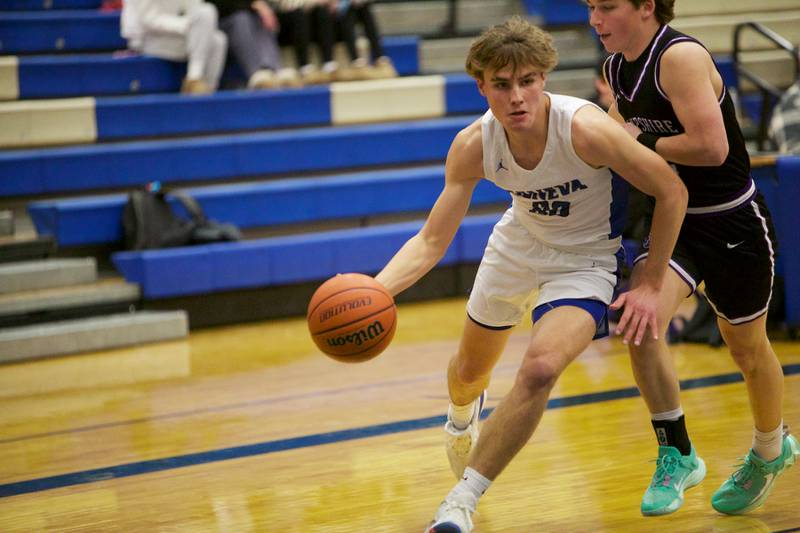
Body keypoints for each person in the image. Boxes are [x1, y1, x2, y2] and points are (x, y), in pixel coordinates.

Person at [372, 16, 688, 532]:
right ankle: (461, 411)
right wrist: (375, 290)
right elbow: (431, 240)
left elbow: (672, 191)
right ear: (482, 86)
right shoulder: (473, 144)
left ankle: (459, 504)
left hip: (586, 259)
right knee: (468, 373)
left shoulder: (585, 129)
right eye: (501, 84)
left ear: (544, 79)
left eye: (527, 81)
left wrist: (651, 280)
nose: (516, 96)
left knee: (540, 368)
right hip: (517, 245)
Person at [589, 0, 799, 517]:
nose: (595, 19)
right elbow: (610, 139)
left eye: (607, 6)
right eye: (590, 6)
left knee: (747, 350)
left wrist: (640, 138)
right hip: (675, 220)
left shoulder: (678, 57)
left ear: (645, 7)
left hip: (731, 221)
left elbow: (712, 147)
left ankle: (771, 450)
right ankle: (677, 451)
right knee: (639, 321)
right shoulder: (616, 67)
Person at [121, 0, 228, 94]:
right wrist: (184, 25)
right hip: (153, 39)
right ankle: (194, 80)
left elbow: (195, 12)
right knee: (207, 18)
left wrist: (191, 27)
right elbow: (148, 20)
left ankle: (201, 88)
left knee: (218, 39)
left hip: (182, 36)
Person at [207, 0, 301, 89]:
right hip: (223, 20)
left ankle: (274, 69)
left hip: (249, 14)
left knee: (260, 16)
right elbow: (218, 6)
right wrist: (252, 4)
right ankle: (257, 73)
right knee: (242, 18)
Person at [334, 0, 397, 81]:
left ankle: (379, 56)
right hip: (336, 21)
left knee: (364, 8)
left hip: (354, 10)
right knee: (349, 11)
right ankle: (355, 59)